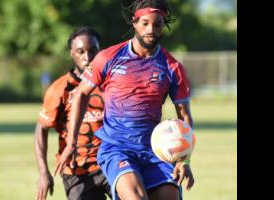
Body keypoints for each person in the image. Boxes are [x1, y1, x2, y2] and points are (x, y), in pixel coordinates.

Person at [54, 0, 195, 200]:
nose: (151, 30)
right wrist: (71, 143)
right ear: (134, 22)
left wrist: (185, 159)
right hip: (117, 148)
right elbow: (80, 94)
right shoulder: (108, 57)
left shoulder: (172, 67)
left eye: (158, 24)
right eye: (145, 23)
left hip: (156, 151)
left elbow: (185, 117)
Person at [34, 26, 111, 200]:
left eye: (93, 51)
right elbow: (41, 128)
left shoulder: (112, 83)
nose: (87, 57)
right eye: (80, 51)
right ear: (71, 53)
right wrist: (43, 171)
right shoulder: (60, 88)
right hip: (77, 170)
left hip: (112, 162)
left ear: (100, 51)